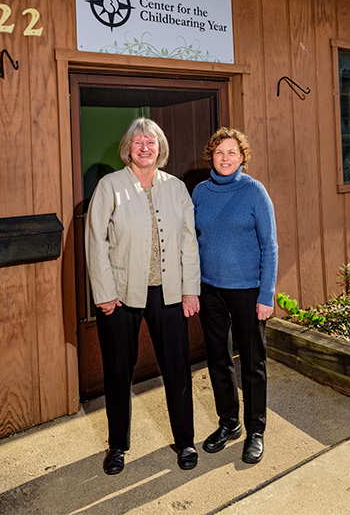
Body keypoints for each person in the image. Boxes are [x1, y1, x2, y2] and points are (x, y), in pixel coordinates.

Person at [85, 117, 201, 474]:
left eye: (151, 142)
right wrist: (103, 293)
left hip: (168, 294)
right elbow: (95, 241)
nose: (145, 147)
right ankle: (117, 446)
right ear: (128, 148)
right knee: (118, 371)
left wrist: (189, 289)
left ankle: (185, 442)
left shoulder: (176, 187)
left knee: (178, 369)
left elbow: (188, 241)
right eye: (139, 142)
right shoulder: (110, 186)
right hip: (120, 295)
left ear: (160, 148)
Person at [192, 127, 278, 465]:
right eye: (219, 152)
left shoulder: (255, 191)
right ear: (210, 156)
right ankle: (229, 423)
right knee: (218, 359)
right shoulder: (199, 192)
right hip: (210, 288)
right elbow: (191, 240)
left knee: (252, 363)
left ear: (242, 157)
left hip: (248, 291)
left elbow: (270, 247)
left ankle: (256, 430)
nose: (225, 158)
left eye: (232, 152)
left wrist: (266, 294)